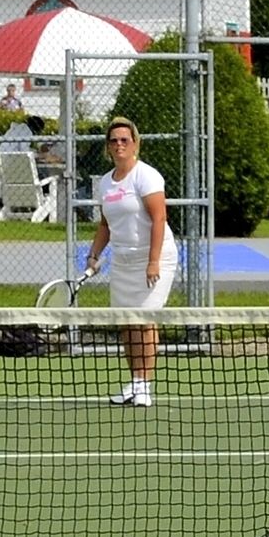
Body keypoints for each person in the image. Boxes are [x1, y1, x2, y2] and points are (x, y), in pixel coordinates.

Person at [82, 115, 176, 405]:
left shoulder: (146, 175)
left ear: (135, 144)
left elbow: (159, 218)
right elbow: (105, 225)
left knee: (145, 320)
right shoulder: (106, 184)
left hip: (154, 258)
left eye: (125, 140)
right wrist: (94, 255)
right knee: (127, 323)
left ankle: (145, 386)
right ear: (108, 148)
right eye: (114, 141)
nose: (119, 144)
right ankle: (135, 382)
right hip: (122, 262)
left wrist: (153, 261)